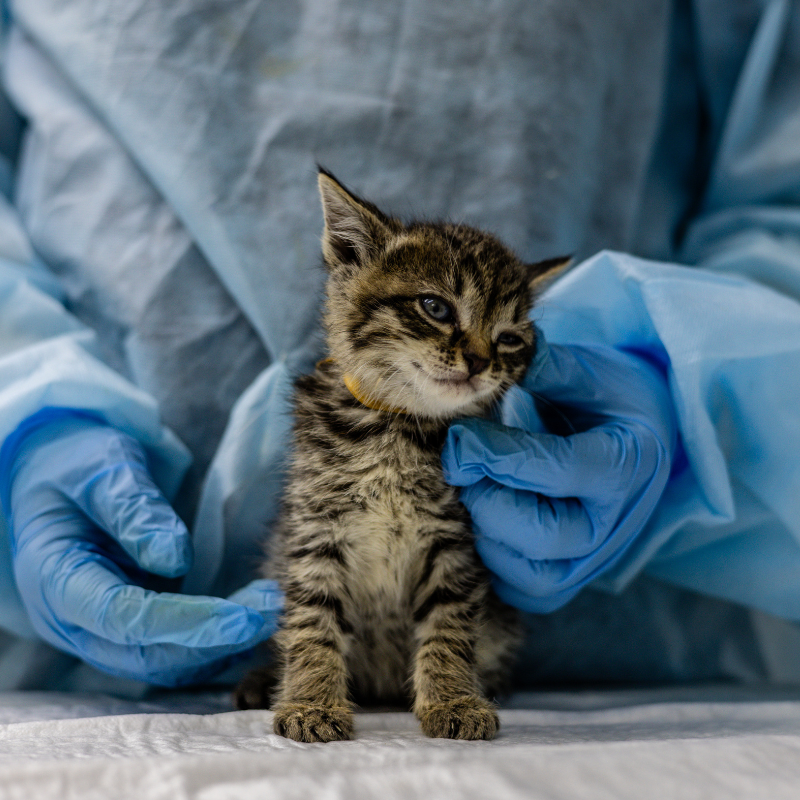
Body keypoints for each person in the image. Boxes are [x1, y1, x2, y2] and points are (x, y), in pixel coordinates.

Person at [1, 0, 800, 693]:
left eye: (500, 339)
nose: (475, 357)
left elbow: (783, 194)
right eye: (440, 315)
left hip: (618, 678)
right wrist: (25, 419)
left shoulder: (471, 430)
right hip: (84, 685)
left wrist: (690, 401)